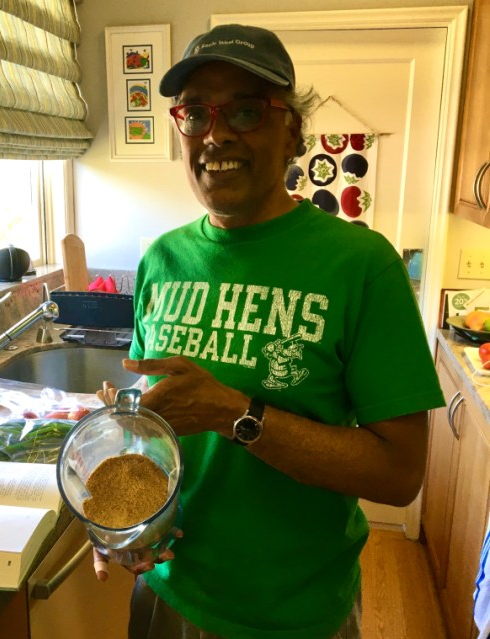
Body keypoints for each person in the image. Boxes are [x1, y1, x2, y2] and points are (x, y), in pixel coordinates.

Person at [94, 23, 446, 639]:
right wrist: (121, 526)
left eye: (247, 111)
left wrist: (235, 412)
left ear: (292, 134)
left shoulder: (362, 265)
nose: (217, 133)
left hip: (296, 616)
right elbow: (152, 434)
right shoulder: (161, 260)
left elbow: (400, 474)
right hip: (165, 595)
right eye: (195, 113)